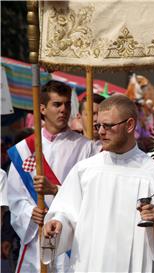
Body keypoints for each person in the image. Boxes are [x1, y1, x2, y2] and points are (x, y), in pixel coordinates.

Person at [43, 95, 154, 273]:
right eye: (98, 126)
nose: (101, 132)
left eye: (108, 126)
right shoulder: (85, 170)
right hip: (90, 264)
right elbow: (66, 211)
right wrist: (58, 222)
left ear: (129, 125)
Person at [6, 80, 95, 273]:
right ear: (42, 108)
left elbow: (91, 193)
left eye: (67, 104)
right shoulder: (25, 149)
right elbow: (14, 196)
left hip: (70, 238)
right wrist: (30, 212)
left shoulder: (86, 147)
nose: (64, 110)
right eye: (57, 104)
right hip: (36, 239)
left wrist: (55, 190)